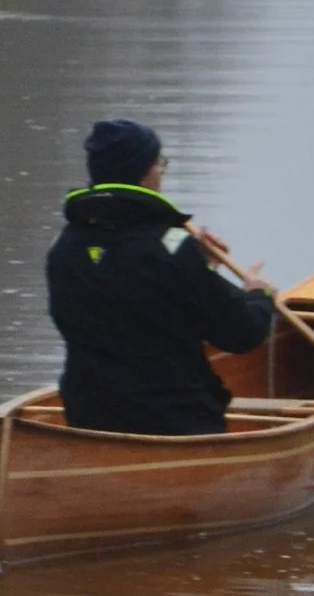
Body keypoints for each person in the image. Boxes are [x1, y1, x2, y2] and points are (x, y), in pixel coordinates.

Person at [46, 118, 278, 434]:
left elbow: (126, 296)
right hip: (176, 422)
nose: (161, 173)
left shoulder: (65, 247)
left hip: (88, 418)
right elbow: (242, 334)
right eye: (159, 163)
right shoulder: (171, 247)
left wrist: (202, 265)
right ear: (144, 172)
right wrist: (258, 295)